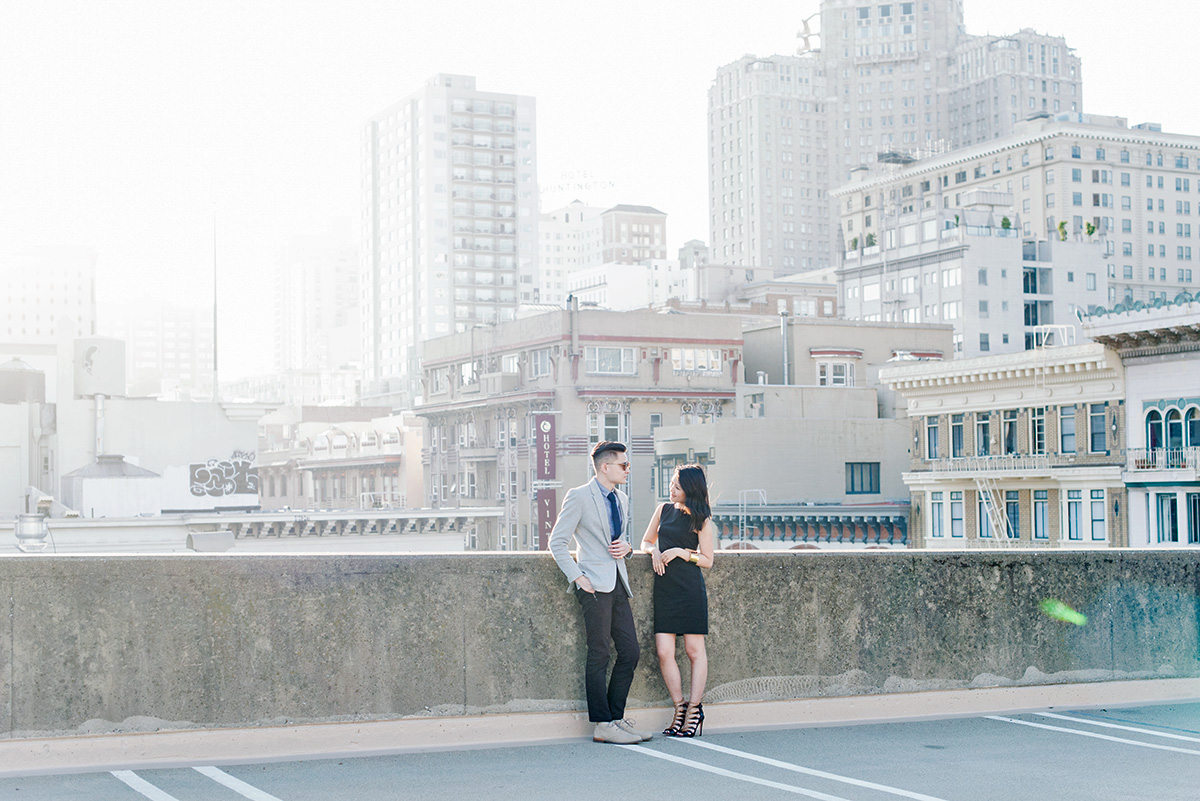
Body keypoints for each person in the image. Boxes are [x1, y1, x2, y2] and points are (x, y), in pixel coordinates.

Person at [548, 440, 652, 745]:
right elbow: (557, 542)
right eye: (624, 465)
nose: (627, 469)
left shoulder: (623, 498)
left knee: (630, 651)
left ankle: (615, 719)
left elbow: (619, 540)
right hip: (593, 584)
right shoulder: (579, 496)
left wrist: (629, 548)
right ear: (605, 467)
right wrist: (578, 578)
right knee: (599, 654)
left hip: (618, 581)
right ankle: (603, 724)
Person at [639, 464, 715, 738]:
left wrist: (683, 553)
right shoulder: (662, 510)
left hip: (690, 588)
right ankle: (679, 707)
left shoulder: (702, 520)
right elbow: (645, 541)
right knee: (663, 652)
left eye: (677, 486)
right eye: (671, 484)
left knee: (695, 651)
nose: (672, 489)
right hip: (665, 589)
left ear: (691, 490)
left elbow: (707, 560)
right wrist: (655, 551)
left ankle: (694, 710)